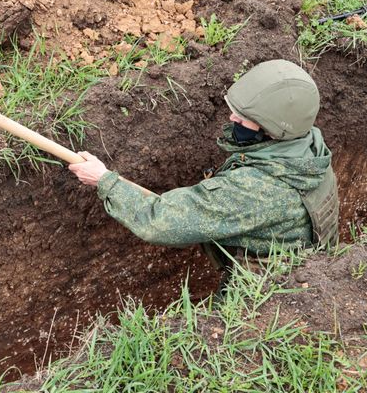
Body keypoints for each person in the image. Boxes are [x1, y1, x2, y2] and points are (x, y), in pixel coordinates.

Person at [69, 59, 339, 269]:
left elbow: (163, 222)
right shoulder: (309, 149)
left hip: (269, 299)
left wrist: (103, 180)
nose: (232, 117)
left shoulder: (257, 191)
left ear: (271, 129)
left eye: (243, 118)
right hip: (304, 265)